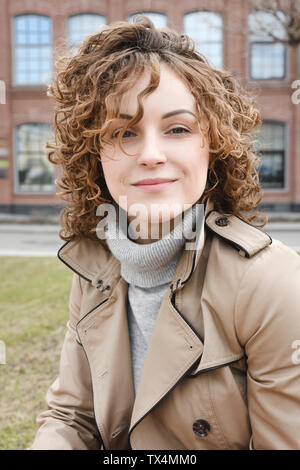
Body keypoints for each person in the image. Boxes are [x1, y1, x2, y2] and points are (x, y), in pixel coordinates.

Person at [29, 15, 300, 450]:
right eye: (123, 132)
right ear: (94, 154)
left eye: (177, 129)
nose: (151, 154)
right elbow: (71, 417)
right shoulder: (93, 270)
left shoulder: (272, 284)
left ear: (212, 145)